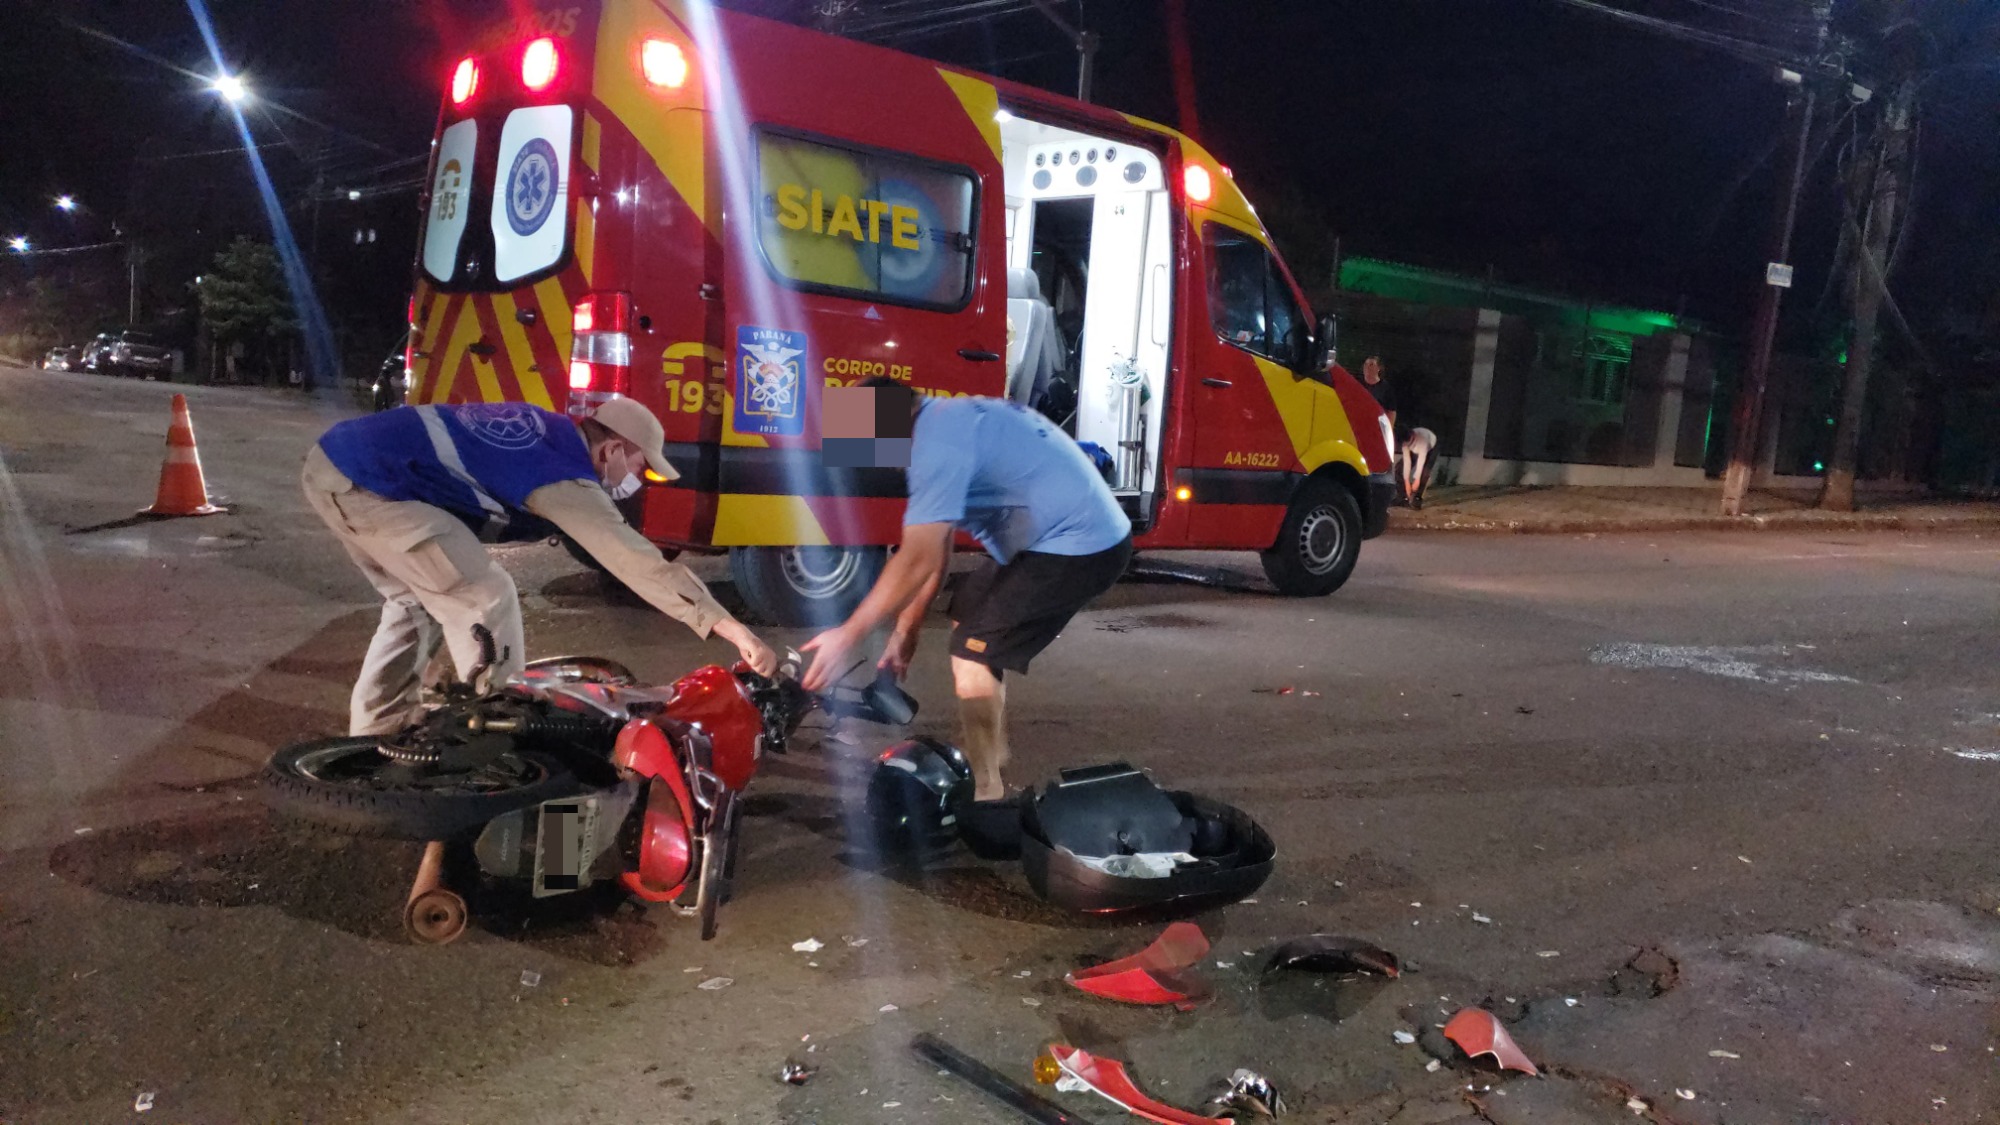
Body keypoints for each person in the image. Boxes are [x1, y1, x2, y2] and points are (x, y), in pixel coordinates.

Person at [302, 396, 776, 736]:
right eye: (640, 468)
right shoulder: (564, 472)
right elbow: (633, 558)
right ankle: (495, 735)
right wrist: (732, 628)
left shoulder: (548, 435)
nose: (639, 481)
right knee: (484, 595)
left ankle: (374, 731)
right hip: (372, 485)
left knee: (415, 602)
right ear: (611, 450)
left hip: (338, 465)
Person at [800, 383, 1132, 803]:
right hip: (1050, 537)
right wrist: (907, 631)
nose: (880, 468)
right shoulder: (944, 420)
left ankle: (987, 793)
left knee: (972, 651)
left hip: (1079, 546)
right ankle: (992, 751)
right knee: (968, 618)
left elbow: (916, 558)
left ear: (889, 429)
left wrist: (847, 636)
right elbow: (936, 547)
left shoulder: (935, 447)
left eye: (870, 452)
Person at [1359, 355, 1397, 431]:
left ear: (1378, 368)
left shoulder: (1385, 388)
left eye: (1371, 365)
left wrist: (1388, 430)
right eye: (1366, 364)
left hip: (1376, 427)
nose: (1367, 367)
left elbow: (1391, 411)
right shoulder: (1358, 384)